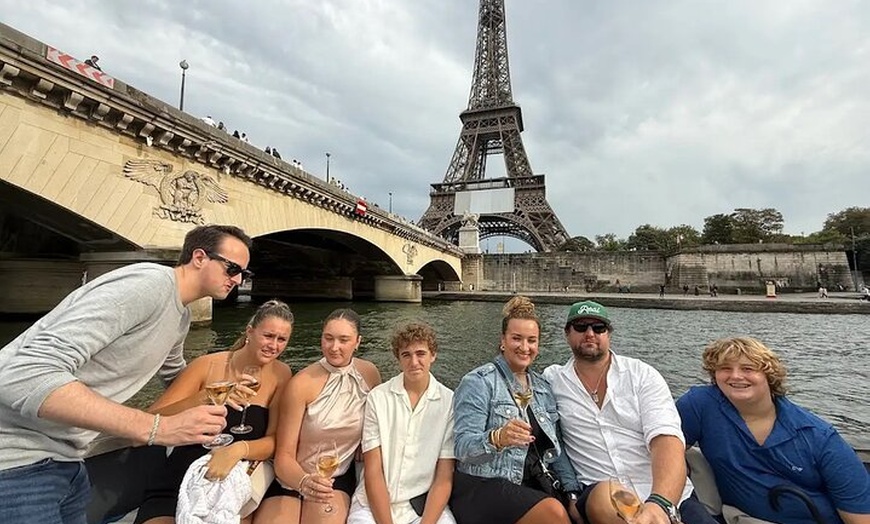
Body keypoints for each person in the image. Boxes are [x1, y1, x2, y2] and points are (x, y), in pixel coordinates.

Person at [0, 224, 252, 523]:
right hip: (17, 461)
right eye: (232, 268)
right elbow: (21, 373)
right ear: (199, 257)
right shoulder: (147, 285)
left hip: (67, 460)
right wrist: (156, 428)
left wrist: (221, 391)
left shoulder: (180, 316)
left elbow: (177, 378)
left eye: (243, 274)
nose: (237, 280)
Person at [543, 300, 716, 524]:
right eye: (580, 327)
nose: (590, 333)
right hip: (601, 492)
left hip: (668, 496)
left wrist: (660, 503)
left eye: (598, 328)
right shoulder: (552, 380)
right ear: (567, 333)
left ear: (609, 334)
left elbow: (666, 439)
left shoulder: (641, 375)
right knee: (612, 495)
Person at [676, 337, 870, 524]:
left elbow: (859, 514)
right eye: (725, 368)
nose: (735, 376)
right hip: (739, 515)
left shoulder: (817, 436)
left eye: (748, 369)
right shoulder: (700, 405)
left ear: (769, 376)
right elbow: (662, 448)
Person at [135, 299, 295, 524]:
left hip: (234, 479)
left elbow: (276, 440)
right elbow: (151, 420)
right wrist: (206, 397)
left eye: (282, 340)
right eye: (268, 336)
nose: (274, 345)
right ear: (250, 331)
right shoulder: (206, 365)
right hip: (182, 474)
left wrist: (237, 450)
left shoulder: (282, 375)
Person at [451, 296, 581, 524]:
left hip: (532, 482)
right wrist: (498, 438)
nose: (524, 347)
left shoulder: (542, 388)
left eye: (532, 340)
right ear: (503, 340)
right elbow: (462, 449)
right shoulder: (479, 382)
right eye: (516, 339)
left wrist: (572, 493)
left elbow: (557, 448)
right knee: (553, 512)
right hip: (483, 485)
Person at [257, 309, 381, 523]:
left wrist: (364, 442)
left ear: (358, 342)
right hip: (292, 476)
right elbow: (284, 456)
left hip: (336, 478)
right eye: (328, 338)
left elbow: (378, 422)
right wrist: (304, 482)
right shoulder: (301, 384)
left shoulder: (370, 374)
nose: (334, 347)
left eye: (344, 340)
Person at [347, 321, 456, 524]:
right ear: (398, 359)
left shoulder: (449, 402)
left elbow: (443, 476)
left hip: (423, 507)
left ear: (433, 355)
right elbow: (373, 471)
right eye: (406, 355)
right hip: (372, 505)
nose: (414, 362)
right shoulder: (377, 398)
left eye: (421, 353)